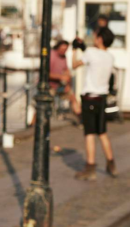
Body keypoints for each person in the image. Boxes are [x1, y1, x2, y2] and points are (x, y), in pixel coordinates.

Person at [72, 26, 117, 180]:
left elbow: (75, 64)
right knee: (102, 132)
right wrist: (84, 47)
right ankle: (111, 163)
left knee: (90, 134)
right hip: (102, 99)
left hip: (89, 98)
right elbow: (95, 55)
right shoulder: (110, 57)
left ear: (99, 39)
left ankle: (90, 168)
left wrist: (74, 50)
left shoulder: (91, 53)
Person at [49, 40, 81, 116]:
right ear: (58, 47)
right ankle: (32, 125)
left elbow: (66, 71)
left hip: (60, 86)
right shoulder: (51, 55)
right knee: (42, 105)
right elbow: (46, 73)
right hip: (49, 86)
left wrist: (68, 84)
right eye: (62, 49)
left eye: (65, 50)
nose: (64, 51)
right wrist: (61, 77)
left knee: (73, 98)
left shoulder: (64, 57)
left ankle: (81, 121)